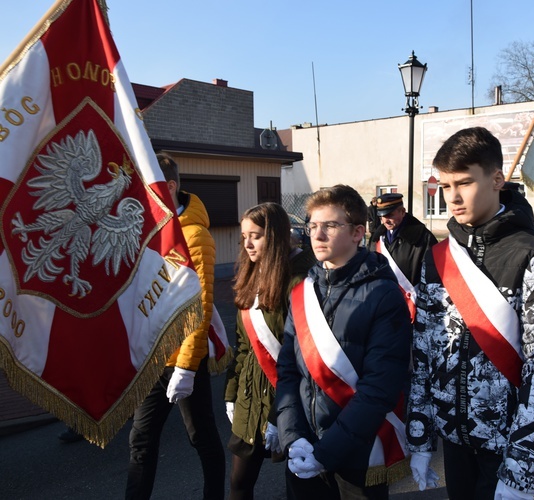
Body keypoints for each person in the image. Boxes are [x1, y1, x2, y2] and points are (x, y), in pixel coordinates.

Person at [407, 127, 534, 499]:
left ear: (497, 179)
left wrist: (522, 471)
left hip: (507, 439)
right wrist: (420, 435)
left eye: (463, 183)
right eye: (445, 186)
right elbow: (424, 353)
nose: (452, 197)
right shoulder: (438, 259)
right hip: (455, 437)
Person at [275, 185, 412, 499]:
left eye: (330, 226)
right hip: (304, 449)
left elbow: (380, 387)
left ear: (357, 233)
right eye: (312, 226)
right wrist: (293, 437)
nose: (317, 234)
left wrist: (326, 452)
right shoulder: (303, 292)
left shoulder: (383, 294)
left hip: (359, 455)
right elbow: (287, 373)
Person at [126, 153, 225, 500]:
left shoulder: (195, 236)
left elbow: (201, 306)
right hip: (153, 356)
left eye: (149, 188)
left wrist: (185, 367)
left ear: (168, 186)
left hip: (184, 358)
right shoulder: (147, 228)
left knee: (201, 437)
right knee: (141, 440)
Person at [224, 203, 317, 499]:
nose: (248, 244)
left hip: (291, 399)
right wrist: (231, 394)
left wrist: (279, 415)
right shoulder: (250, 275)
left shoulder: (301, 280)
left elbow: (305, 358)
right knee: (239, 484)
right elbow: (243, 345)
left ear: (275, 237)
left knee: (300, 484)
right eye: (244, 237)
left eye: (256, 236)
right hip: (250, 397)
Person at [367, 192, 437, 321]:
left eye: (389, 215)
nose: (385, 220)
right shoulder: (376, 238)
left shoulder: (422, 237)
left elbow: (433, 277)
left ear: (402, 212)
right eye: (381, 216)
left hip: (413, 309)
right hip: (382, 306)